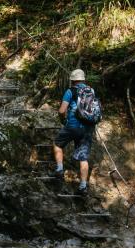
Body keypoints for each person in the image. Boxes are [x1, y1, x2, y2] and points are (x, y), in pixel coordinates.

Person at [53, 68, 94, 196]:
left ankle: (59, 170)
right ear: (83, 79)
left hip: (72, 126)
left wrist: (63, 120)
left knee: (57, 144)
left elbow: (61, 111)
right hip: (87, 128)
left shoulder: (70, 91)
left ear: (73, 80)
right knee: (83, 157)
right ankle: (83, 187)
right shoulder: (91, 90)